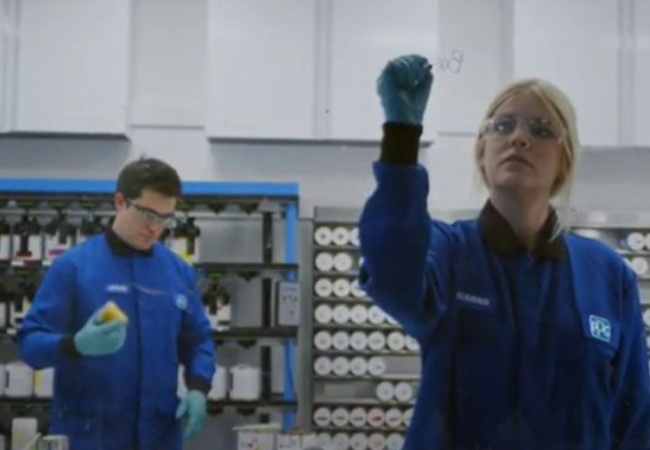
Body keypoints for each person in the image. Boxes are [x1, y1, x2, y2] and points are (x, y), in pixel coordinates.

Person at [358, 54, 650, 449]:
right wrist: (401, 135)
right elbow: (393, 277)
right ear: (482, 152)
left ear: (564, 162)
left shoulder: (606, 273)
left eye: (542, 129)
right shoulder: (448, 251)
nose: (519, 137)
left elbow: (635, 419)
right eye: (503, 126)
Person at [17, 157, 216, 450]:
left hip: (158, 434)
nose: (155, 228)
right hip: (90, 434)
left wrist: (199, 387)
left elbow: (198, 338)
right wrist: (75, 345)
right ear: (120, 201)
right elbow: (30, 344)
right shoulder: (74, 267)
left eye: (165, 218)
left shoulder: (178, 272)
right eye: (148, 214)